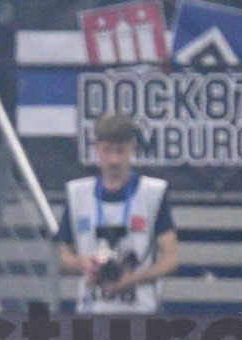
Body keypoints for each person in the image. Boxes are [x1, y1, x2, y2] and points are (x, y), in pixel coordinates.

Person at [56, 113, 179, 315]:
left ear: (132, 149)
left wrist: (134, 279)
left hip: (141, 310)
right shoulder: (77, 194)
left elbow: (171, 258)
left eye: (120, 151)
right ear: (96, 149)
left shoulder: (152, 193)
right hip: (91, 309)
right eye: (107, 151)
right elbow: (63, 256)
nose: (114, 159)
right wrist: (83, 264)